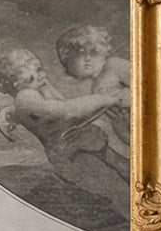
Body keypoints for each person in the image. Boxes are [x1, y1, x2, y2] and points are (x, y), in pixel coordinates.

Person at [0, 48, 129, 177]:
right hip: (72, 153)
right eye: (35, 74)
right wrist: (108, 99)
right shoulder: (24, 96)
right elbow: (66, 111)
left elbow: (69, 111)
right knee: (112, 176)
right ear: (16, 82)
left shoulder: (38, 89)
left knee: (122, 167)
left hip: (81, 143)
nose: (43, 75)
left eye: (40, 69)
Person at [55, 25, 131, 155]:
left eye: (94, 52)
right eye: (80, 53)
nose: (87, 58)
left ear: (104, 53)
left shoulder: (114, 65)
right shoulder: (96, 86)